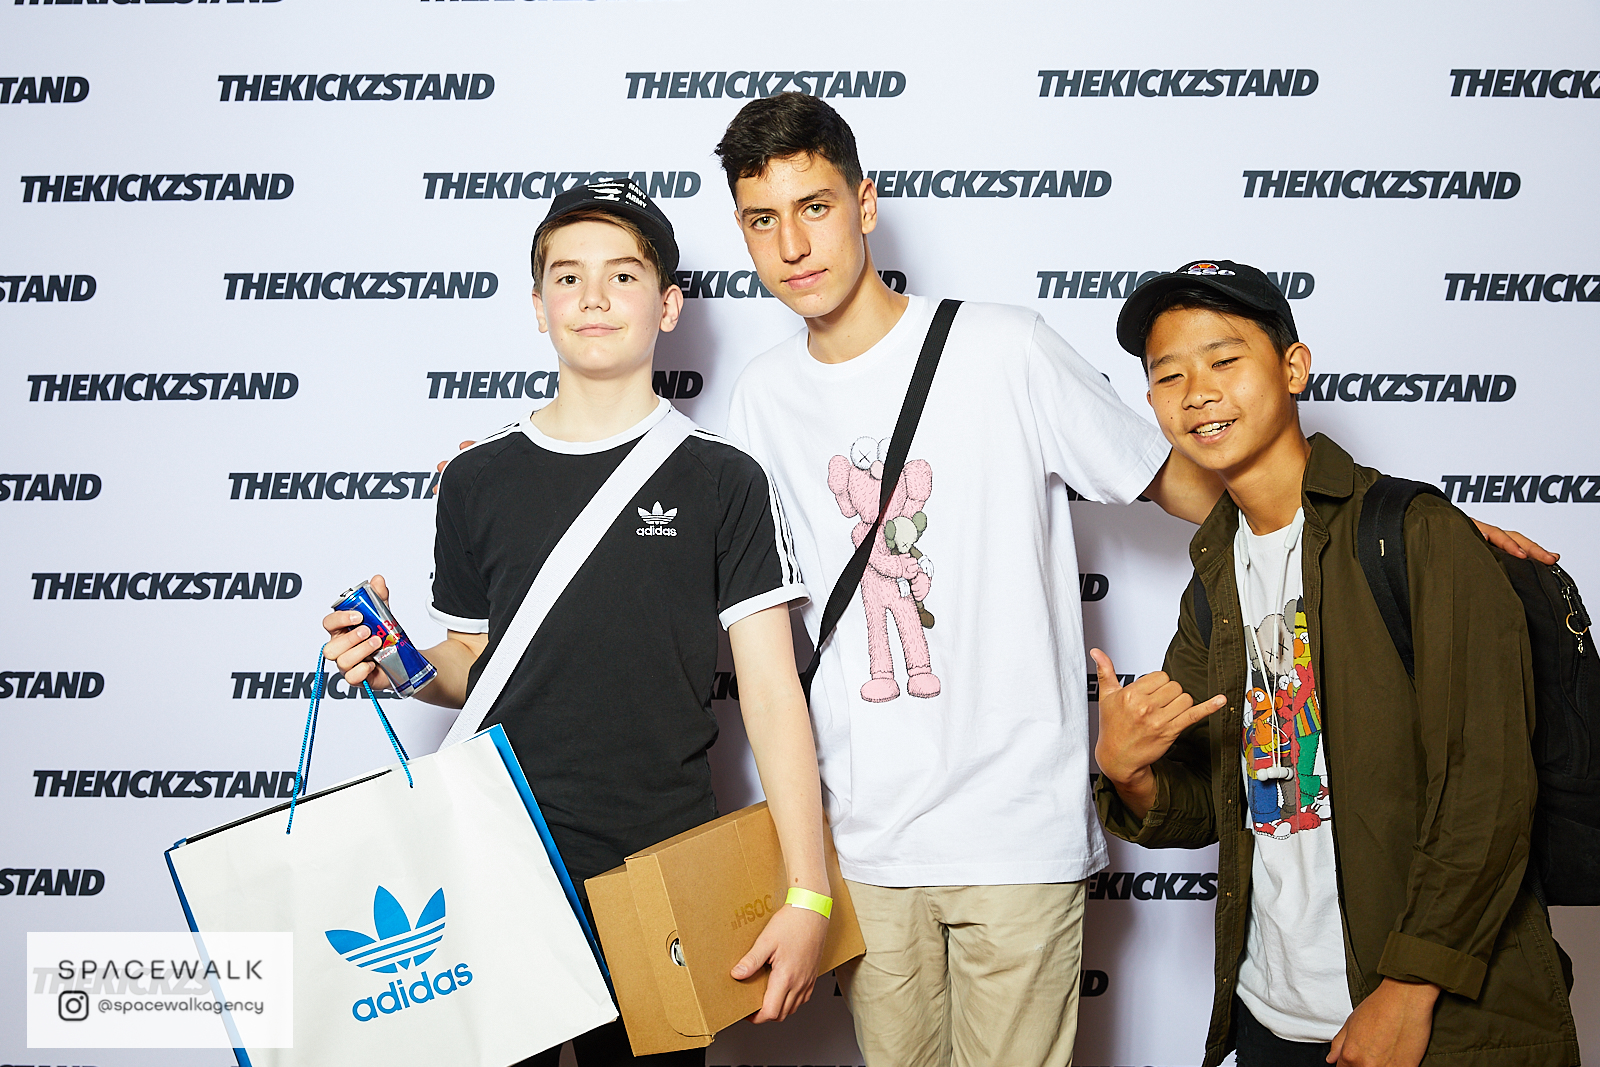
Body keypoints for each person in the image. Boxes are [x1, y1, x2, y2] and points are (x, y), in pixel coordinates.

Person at [708, 94, 1557, 1067]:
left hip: (1014, 833)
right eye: (762, 220)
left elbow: (1181, 481)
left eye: (814, 207)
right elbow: (759, 631)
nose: (792, 244)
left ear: (863, 204)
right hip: (865, 844)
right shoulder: (759, 398)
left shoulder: (1002, 346)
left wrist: (1392, 520)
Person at [323, 179, 832, 1066]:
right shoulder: (475, 478)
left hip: (657, 877)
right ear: (538, 305)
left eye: (623, 275)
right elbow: (473, 661)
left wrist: (809, 893)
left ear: (668, 305)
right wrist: (394, 658)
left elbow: (771, 692)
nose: (594, 297)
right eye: (568, 277)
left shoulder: (724, 478)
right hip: (495, 865)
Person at [1091, 260, 1578, 1067]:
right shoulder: (1213, 578)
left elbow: (1488, 790)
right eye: (1168, 375)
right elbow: (1219, 801)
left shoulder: (1413, 534)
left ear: (1293, 368)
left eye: (1223, 360)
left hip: (1425, 1018)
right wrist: (1129, 772)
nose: (1197, 392)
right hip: (1270, 1017)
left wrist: (1409, 988)